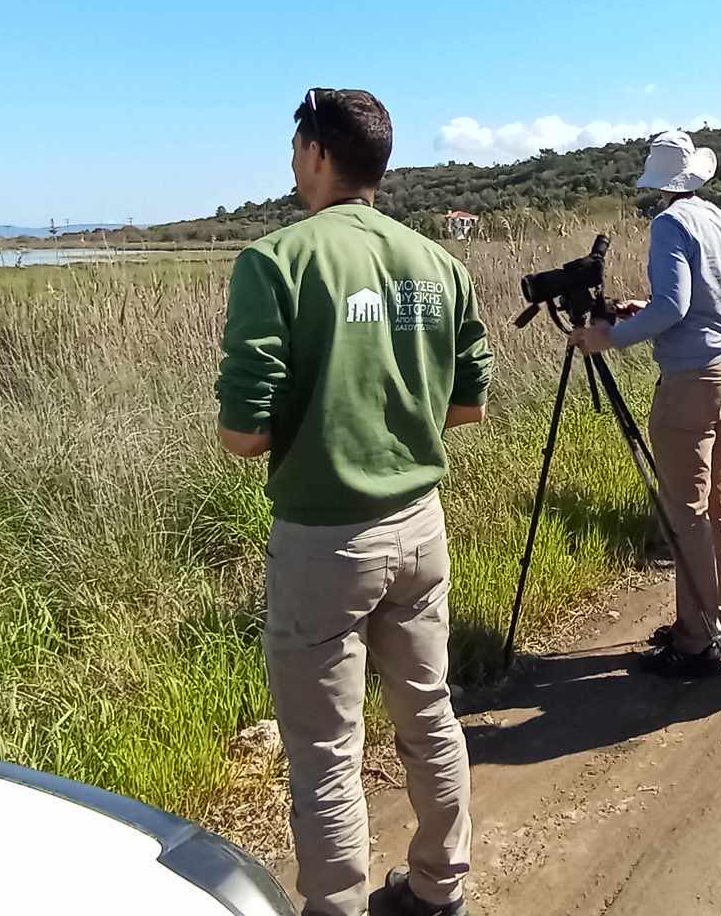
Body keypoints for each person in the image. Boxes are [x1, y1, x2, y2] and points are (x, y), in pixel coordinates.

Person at [216, 88, 492, 916]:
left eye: (297, 148)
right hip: (421, 525)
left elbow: (243, 435)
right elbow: (469, 404)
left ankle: (334, 905)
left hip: (325, 538)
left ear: (319, 154)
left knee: (326, 750)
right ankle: (442, 887)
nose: (294, 163)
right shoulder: (439, 264)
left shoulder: (276, 260)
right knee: (429, 713)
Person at [570, 130, 721, 679]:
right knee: (717, 501)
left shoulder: (670, 224)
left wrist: (610, 337)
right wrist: (642, 309)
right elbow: (708, 299)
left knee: (684, 511)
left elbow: (676, 304)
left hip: (691, 380)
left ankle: (695, 641)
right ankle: (715, 609)